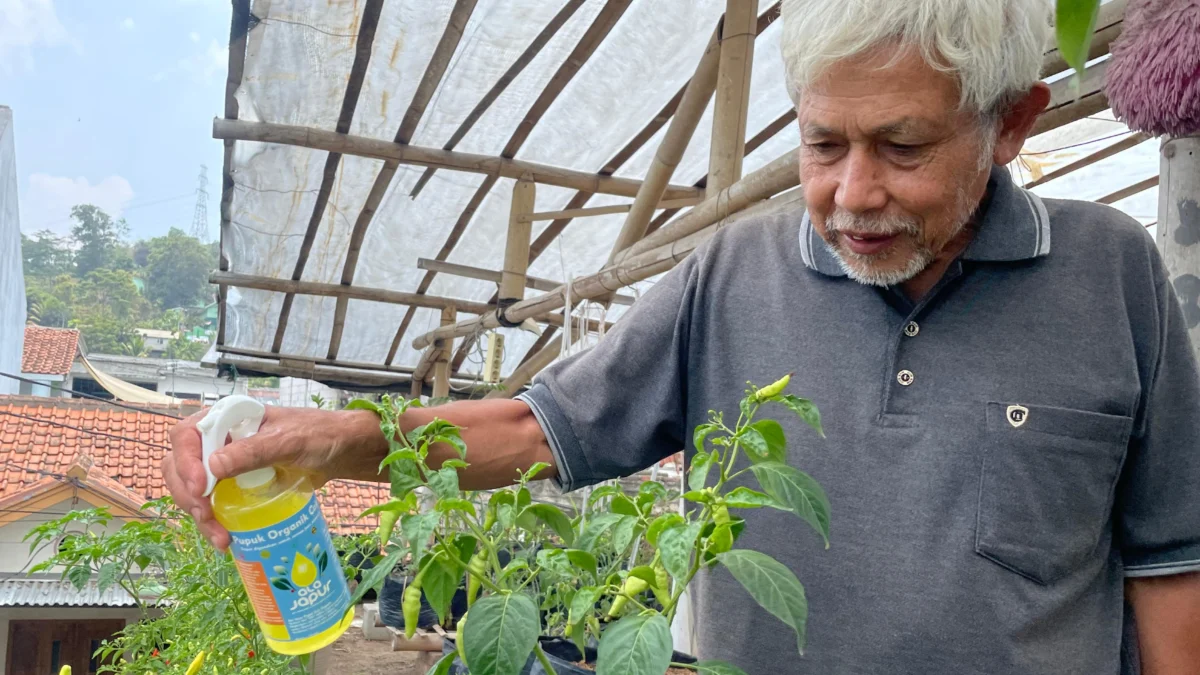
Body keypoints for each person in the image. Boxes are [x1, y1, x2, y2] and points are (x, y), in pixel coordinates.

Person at [165, 0, 1200, 672]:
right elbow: (538, 432)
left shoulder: (1111, 275)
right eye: (822, 142)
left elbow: (1169, 563)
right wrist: (344, 443)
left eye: (905, 146)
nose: (852, 195)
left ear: (1011, 124)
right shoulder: (733, 274)